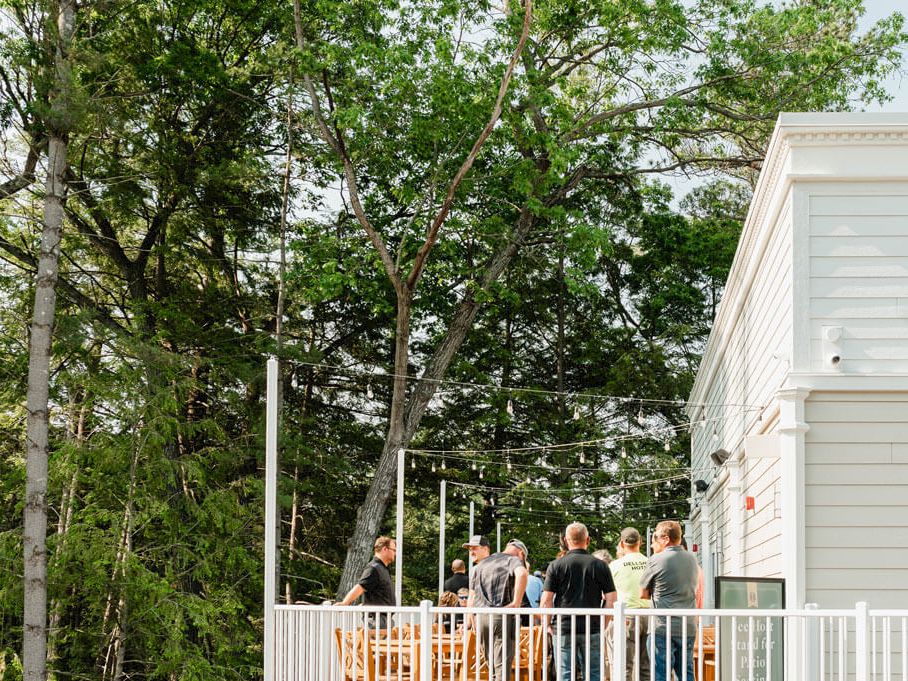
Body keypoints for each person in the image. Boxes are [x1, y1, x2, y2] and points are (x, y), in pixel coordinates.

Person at [540, 522, 617, 681]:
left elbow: (546, 600)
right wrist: (602, 623)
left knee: (565, 673)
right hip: (592, 626)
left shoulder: (556, 566)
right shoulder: (600, 565)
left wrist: (546, 624)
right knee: (594, 673)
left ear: (566, 541)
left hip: (564, 626)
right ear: (587, 540)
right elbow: (611, 599)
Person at [640, 521, 699, 681]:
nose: (653, 544)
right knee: (686, 674)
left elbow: (643, 594)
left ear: (665, 538)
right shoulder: (693, 559)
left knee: (660, 675)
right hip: (687, 626)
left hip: (662, 627)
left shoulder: (655, 560)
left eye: (655, 538)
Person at [464, 535, 529, 681]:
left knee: (491, 666)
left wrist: (470, 617)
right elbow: (523, 573)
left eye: (474, 548)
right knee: (501, 668)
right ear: (521, 553)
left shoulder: (478, 566)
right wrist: (516, 603)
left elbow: (472, 596)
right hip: (501, 617)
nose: (471, 552)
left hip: (481, 617)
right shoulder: (512, 560)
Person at [605, 527, 651, 681]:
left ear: (622, 543)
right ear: (640, 542)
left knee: (624, 666)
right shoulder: (650, 563)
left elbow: (607, 594)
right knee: (646, 667)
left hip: (626, 616)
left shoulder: (615, 566)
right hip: (649, 615)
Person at [338, 535, 397, 628]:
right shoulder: (374, 568)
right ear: (385, 549)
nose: (395, 553)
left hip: (384, 619)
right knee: (376, 643)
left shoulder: (382, 569)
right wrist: (345, 603)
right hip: (376, 620)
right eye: (393, 550)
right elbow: (360, 587)